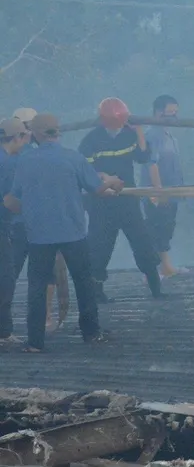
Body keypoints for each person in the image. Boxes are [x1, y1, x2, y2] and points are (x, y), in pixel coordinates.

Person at [3, 113, 118, 352]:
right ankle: (91, 332)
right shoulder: (73, 158)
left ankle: (35, 342)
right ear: (58, 132)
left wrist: (27, 209)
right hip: (73, 231)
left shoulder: (26, 161)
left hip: (39, 235)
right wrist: (114, 181)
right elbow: (97, 189)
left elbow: (13, 200)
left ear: (34, 134)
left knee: (36, 286)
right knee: (83, 282)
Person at [79, 97, 163, 302]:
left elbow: (143, 158)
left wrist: (139, 130)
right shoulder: (90, 141)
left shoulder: (129, 134)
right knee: (100, 246)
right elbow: (85, 173)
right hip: (101, 202)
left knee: (142, 240)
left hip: (128, 200)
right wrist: (106, 181)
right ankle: (96, 293)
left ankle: (156, 289)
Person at [6, 111, 66, 331]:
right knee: (16, 271)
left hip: (28, 222)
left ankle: (44, 316)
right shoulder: (23, 155)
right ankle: (40, 317)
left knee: (31, 271)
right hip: (25, 223)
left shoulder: (28, 154)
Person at [140, 94, 187, 278]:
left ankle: (166, 267)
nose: (174, 117)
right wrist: (158, 190)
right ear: (158, 113)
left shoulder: (169, 135)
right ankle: (152, 271)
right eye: (170, 113)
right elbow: (152, 164)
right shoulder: (153, 135)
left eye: (176, 113)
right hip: (158, 192)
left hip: (172, 191)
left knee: (166, 228)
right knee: (156, 228)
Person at [0, 118, 32, 344]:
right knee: (5, 278)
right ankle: (3, 331)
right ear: (17, 138)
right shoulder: (9, 163)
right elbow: (9, 200)